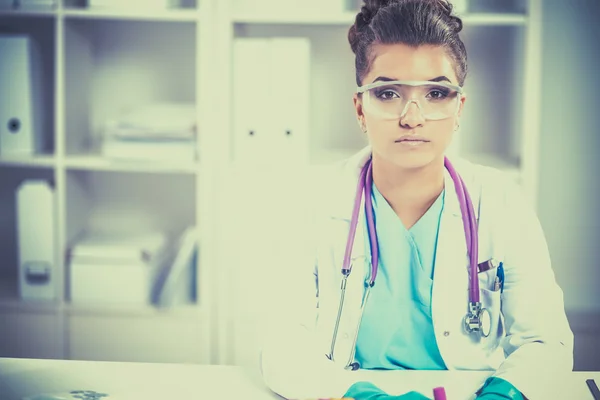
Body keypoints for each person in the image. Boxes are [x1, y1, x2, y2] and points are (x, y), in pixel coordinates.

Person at [259, 0, 574, 399]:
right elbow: (283, 345)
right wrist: (356, 396)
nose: (412, 117)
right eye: (388, 93)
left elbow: (546, 343)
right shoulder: (312, 203)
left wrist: (504, 394)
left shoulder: (500, 204)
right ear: (360, 108)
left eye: (436, 93)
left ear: (459, 108)